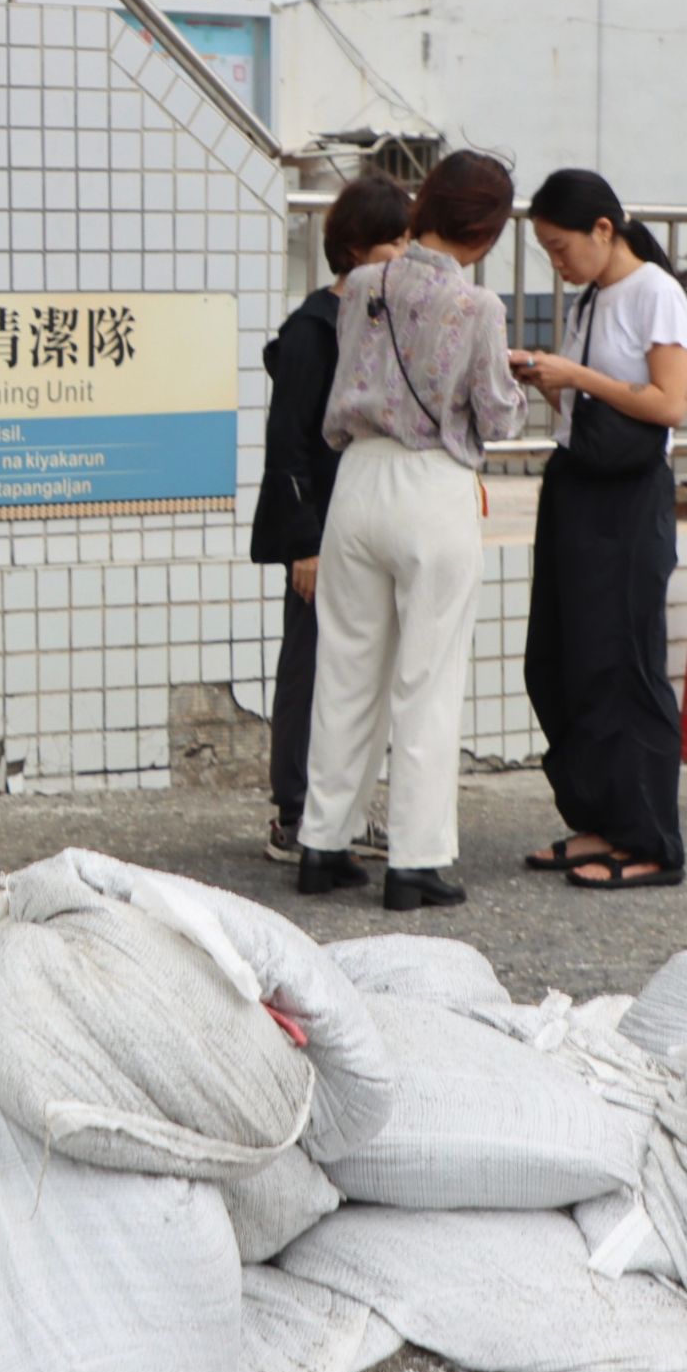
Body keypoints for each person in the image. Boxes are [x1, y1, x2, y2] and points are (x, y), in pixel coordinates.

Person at [296, 150, 528, 912]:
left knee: (345, 672)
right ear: (488, 233)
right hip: (433, 490)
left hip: (356, 482)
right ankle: (415, 861)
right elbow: (494, 417)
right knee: (426, 681)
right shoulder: (480, 310)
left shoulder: (362, 283)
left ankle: (322, 845)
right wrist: (519, 385)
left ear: (424, 204)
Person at [510, 169, 687, 890]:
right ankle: (599, 820)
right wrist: (551, 376)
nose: (557, 262)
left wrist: (576, 377)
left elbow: (668, 403)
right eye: (546, 251)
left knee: (625, 664)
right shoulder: (592, 297)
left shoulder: (656, 292)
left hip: (629, 497)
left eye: (561, 247)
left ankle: (650, 839)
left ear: (603, 231)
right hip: (577, 482)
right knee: (561, 658)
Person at [250, 172, 411, 864]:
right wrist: (303, 544)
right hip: (322, 527)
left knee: (358, 673)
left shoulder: (381, 319)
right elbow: (288, 442)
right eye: (396, 240)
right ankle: (295, 814)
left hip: (368, 520)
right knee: (311, 666)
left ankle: (337, 812)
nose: (406, 254)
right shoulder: (315, 327)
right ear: (356, 246)